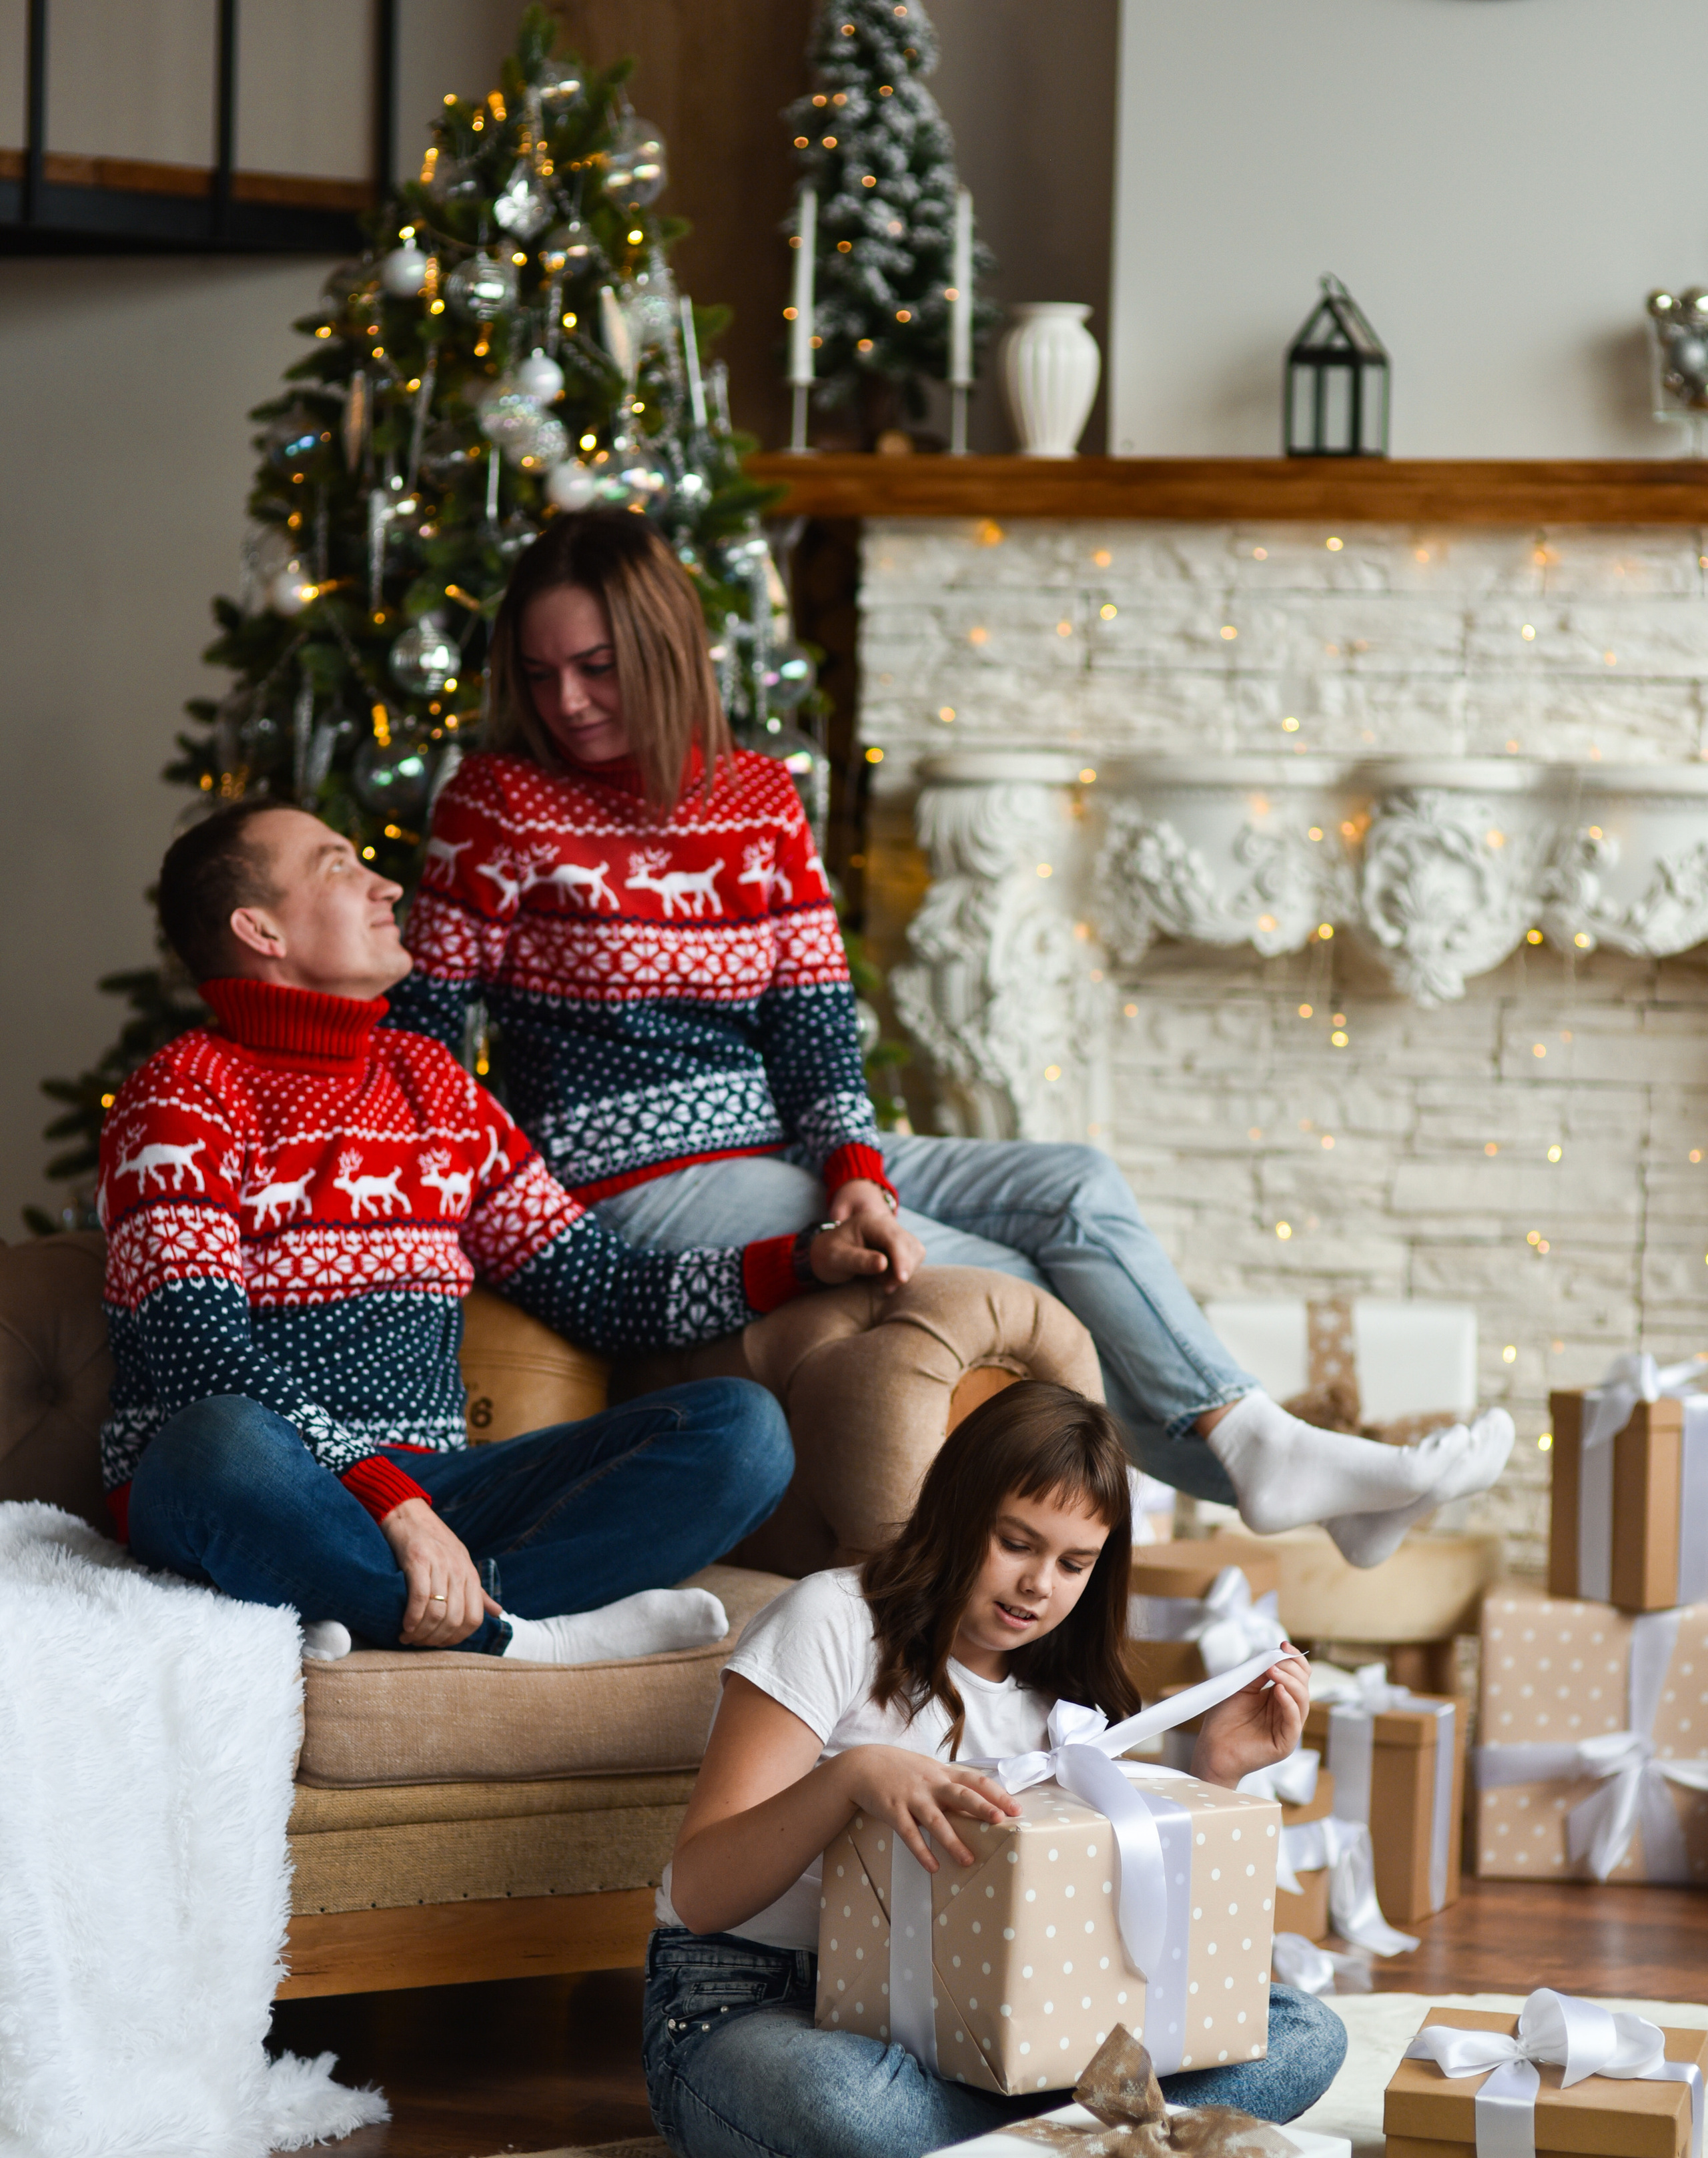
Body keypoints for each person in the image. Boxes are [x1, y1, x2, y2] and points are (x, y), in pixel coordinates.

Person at [393, 513, 1513, 1570]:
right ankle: (1278, 1464)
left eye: (596, 667)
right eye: (540, 677)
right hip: (633, 1176)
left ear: (662, 650)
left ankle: (1272, 1452)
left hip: (778, 1141)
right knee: (1019, 1285)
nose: (570, 703)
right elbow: (428, 1044)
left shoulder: (760, 798)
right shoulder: (496, 800)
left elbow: (815, 1022)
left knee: (1077, 1182)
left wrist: (860, 1177)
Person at [99, 797, 894, 1662]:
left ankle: (384, 1602)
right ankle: (517, 1634)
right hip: (273, 1480)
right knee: (218, 1443)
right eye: (337, 865)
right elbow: (194, 1343)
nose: (384, 884)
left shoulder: (433, 1084)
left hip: (439, 1488)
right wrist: (389, 1503)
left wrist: (806, 1259)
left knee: (743, 1433)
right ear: (260, 929)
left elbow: (604, 1289)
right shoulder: (181, 1092)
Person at [642, 1381, 1342, 2158]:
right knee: (848, 2111)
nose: (1039, 1585)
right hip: (759, 2002)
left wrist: (1213, 1776)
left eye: (1074, 1563)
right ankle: (1101, 2152)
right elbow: (701, 1892)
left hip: (984, 2032)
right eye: (1017, 1543)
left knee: (1306, 2033)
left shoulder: (1070, 1702)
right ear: (958, 1510)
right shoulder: (830, 1621)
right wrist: (852, 1779)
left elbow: (1125, 1951)